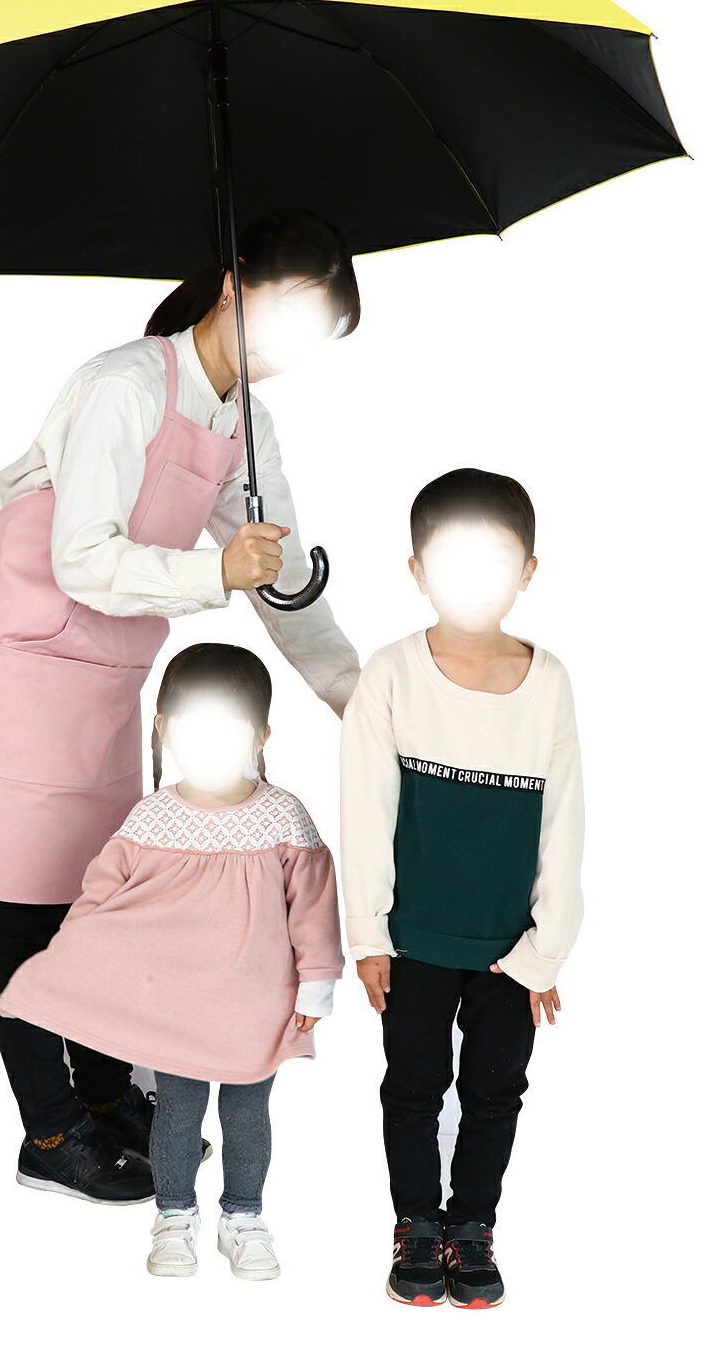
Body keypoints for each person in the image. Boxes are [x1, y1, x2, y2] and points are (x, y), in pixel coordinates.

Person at [0, 210, 361, 1203]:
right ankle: (51, 1134)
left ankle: (109, 1100)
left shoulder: (246, 426)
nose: (290, 351)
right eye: (287, 315)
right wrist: (215, 571)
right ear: (235, 284)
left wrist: (358, 703)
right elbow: (83, 559)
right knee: (33, 911)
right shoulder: (121, 386)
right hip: (23, 664)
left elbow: (285, 585)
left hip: (104, 676)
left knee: (103, 902)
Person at [0, 643, 344, 1279]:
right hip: (177, 1010)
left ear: (262, 735)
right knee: (179, 1113)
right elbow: (103, 897)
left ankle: (244, 1217)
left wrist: (316, 984)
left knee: (246, 1115)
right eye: (193, 730)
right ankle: (175, 1214)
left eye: (228, 730)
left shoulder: (283, 816)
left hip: (255, 1007)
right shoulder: (151, 819)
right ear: (162, 730)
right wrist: (74, 961)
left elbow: (314, 906)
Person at [339, 468, 584, 1309]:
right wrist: (368, 933)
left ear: (528, 570)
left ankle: (472, 1225)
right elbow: (365, 808)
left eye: (495, 562)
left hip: (508, 947)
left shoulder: (548, 681)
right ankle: (416, 1225)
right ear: (416, 571)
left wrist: (546, 948)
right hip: (413, 938)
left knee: (493, 1091)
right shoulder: (392, 673)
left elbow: (563, 819)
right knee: (412, 1089)